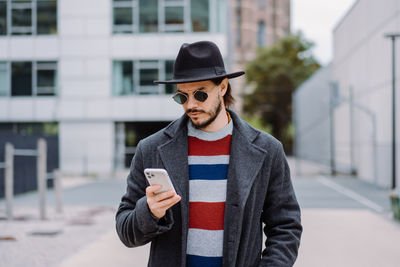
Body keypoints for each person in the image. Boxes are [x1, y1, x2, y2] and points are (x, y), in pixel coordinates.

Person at [115, 41, 302, 267]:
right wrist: (149, 211)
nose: (190, 104)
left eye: (200, 94)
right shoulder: (151, 149)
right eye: (182, 97)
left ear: (222, 87)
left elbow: (285, 227)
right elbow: (125, 230)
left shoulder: (267, 150)